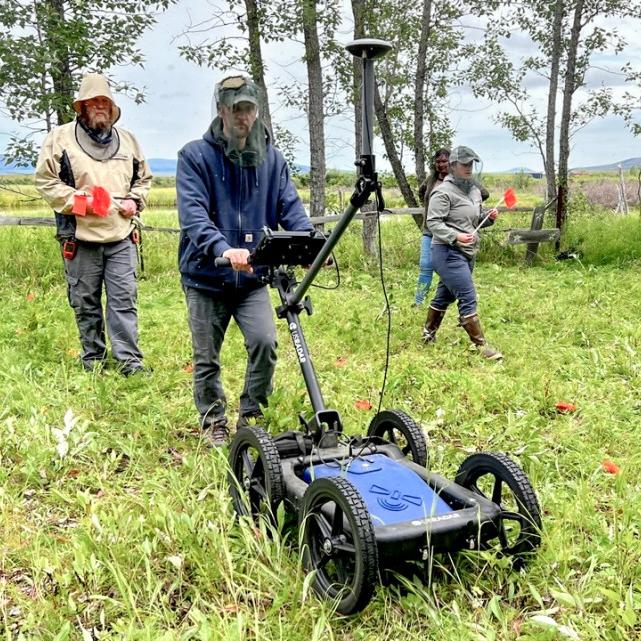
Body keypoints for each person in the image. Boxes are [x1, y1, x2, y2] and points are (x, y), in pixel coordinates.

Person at [176, 74, 314, 447]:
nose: (243, 116)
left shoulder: (271, 159)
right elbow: (193, 215)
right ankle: (213, 420)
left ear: (257, 111)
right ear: (222, 110)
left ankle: (251, 414)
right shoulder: (195, 156)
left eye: (249, 108)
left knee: (265, 343)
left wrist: (311, 246)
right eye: (236, 108)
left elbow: (291, 208)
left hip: (253, 278)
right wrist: (222, 248)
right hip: (208, 275)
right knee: (207, 357)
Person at [35, 72, 152, 375]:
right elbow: (46, 182)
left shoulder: (129, 141)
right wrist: (81, 202)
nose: (100, 106)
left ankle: (130, 362)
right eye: (94, 101)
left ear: (112, 107)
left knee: (123, 300)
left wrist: (134, 202)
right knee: (85, 302)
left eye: (105, 101)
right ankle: (93, 360)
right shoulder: (59, 139)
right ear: (82, 106)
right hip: (80, 238)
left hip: (121, 237)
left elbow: (144, 180)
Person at [423, 145, 502, 360]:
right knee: (467, 295)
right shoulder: (443, 192)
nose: (469, 168)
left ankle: (427, 335)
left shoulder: (474, 190)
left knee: (444, 295)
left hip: (468, 252)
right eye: (464, 164)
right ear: (453, 166)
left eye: (471, 164)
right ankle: (482, 347)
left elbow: (471, 221)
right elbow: (433, 223)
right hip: (446, 252)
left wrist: (488, 218)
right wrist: (454, 237)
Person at [414, 148, 450, 306]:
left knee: (448, 270)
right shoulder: (431, 180)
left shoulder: (459, 181)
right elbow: (421, 193)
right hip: (429, 231)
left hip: (450, 232)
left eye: (444, 161)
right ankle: (419, 301)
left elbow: (482, 193)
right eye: (438, 161)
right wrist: (429, 208)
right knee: (425, 266)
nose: (441, 165)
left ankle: (444, 303)